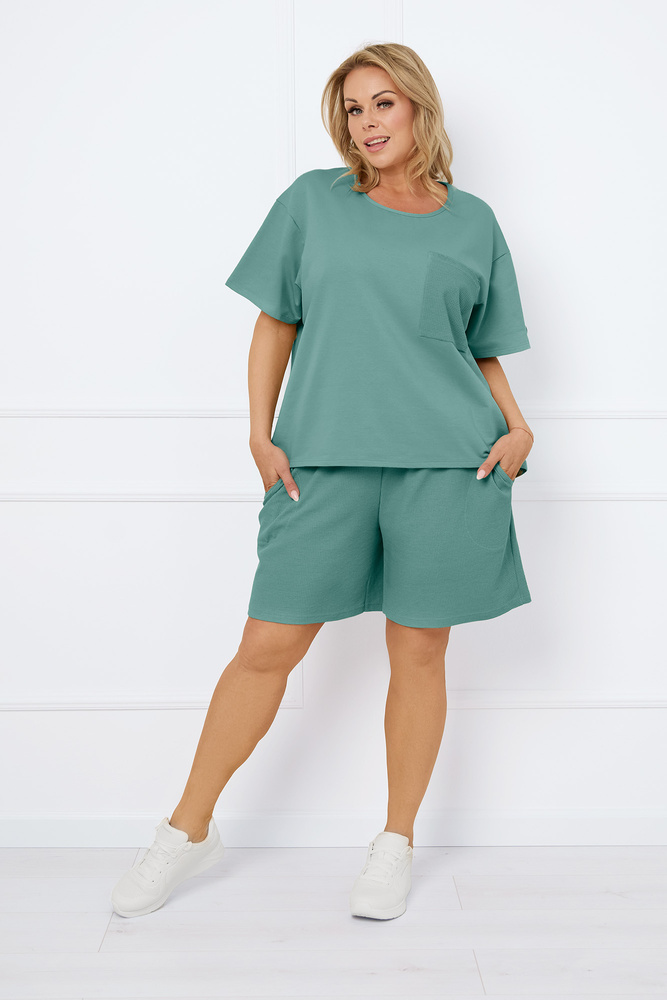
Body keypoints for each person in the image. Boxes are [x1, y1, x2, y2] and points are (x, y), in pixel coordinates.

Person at [111, 42, 534, 922]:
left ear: (417, 107)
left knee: (419, 652)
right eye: (352, 108)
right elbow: (276, 321)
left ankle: (394, 842)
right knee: (267, 646)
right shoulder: (312, 201)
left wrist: (517, 424)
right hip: (321, 461)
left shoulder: (473, 222)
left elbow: (478, 347)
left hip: (446, 461)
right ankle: (187, 829)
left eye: (383, 103)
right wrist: (259, 434)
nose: (367, 122)